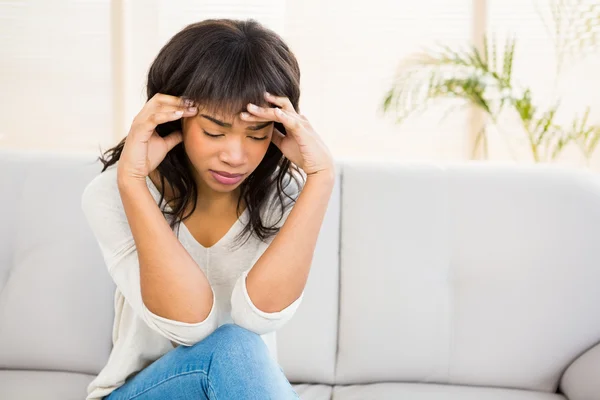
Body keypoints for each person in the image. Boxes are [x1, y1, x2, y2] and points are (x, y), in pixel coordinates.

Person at [81, 18, 335, 400]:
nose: (235, 156)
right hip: (144, 392)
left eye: (257, 135)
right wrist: (133, 181)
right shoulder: (111, 194)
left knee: (239, 344)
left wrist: (322, 178)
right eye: (214, 133)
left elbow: (259, 317)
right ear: (172, 118)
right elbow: (189, 326)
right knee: (232, 346)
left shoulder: (284, 194)